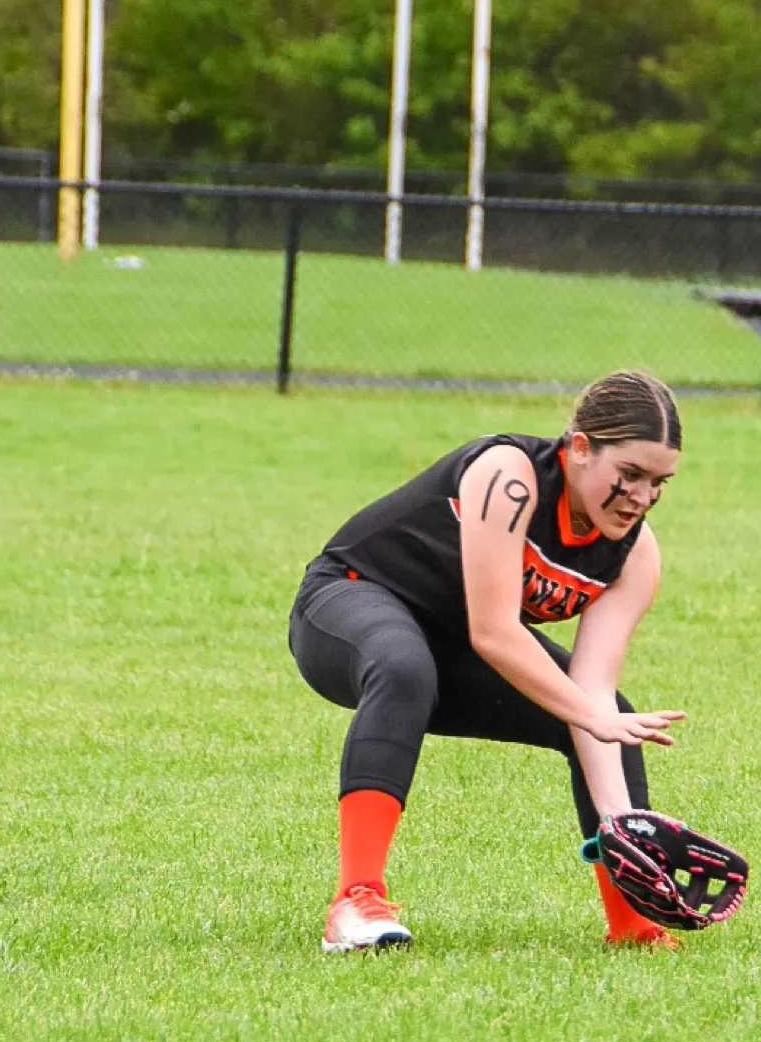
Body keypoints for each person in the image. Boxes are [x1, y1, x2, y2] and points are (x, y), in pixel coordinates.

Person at [288, 369, 687, 954]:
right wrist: (589, 717)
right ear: (579, 448)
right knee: (404, 667)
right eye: (628, 474)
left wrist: (624, 825)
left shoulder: (635, 555)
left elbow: (592, 692)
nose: (642, 497)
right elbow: (496, 631)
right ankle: (356, 902)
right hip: (348, 599)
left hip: (450, 642)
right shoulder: (509, 476)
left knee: (611, 719)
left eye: (659, 482)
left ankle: (631, 920)